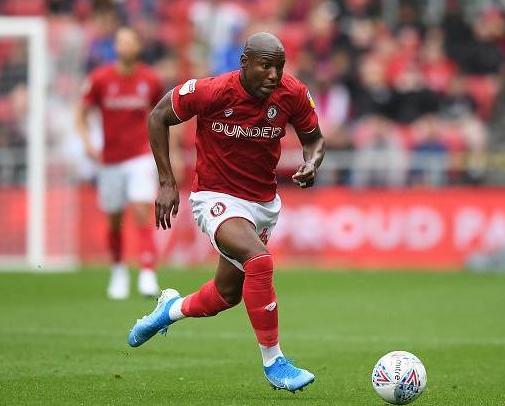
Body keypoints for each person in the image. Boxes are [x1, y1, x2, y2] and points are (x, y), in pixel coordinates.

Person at [127, 32, 326, 392]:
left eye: (279, 67)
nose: (274, 75)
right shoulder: (212, 91)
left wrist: (312, 163)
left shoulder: (293, 93)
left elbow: (314, 138)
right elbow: (158, 116)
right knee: (259, 261)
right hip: (215, 197)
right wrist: (167, 181)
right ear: (245, 63)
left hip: (263, 205)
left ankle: (169, 309)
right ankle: (274, 362)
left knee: (225, 296)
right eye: (266, 66)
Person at [76, 27, 163, 299]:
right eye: (121, 42)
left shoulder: (149, 79)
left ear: (137, 47)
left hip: (139, 156)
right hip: (110, 160)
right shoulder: (100, 79)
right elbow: (81, 114)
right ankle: (118, 270)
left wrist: (168, 153)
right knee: (114, 219)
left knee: (140, 209)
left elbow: (161, 115)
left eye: (130, 42)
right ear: (115, 47)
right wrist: (88, 144)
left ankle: (148, 271)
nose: (125, 46)